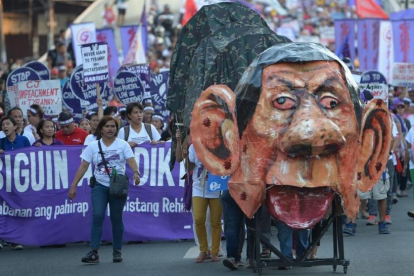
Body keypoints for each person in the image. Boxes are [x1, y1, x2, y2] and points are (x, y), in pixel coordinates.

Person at [68, 116, 141, 263]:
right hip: (99, 186)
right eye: (107, 126)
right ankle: (93, 252)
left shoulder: (123, 144)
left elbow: (131, 160)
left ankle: (117, 251)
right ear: (101, 129)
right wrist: (73, 185)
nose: (110, 129)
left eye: (113, 126)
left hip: (117, 186)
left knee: (116, 218)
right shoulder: (93, 146)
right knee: (97, 216)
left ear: (117, 129)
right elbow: (83, 166)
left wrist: (136, 172)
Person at [0, 116, 31, 250]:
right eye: (3, 125)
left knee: (18, 209)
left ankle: (17, 239)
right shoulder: (0, 142)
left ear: (14, 127)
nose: (5, 127)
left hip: (20, 182)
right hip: (4, 183)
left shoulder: (24, 140)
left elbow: (32, 156)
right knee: (4, 210)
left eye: (7, 124)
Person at [189, 143, 222, 263]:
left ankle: (214, 251)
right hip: (198, 187)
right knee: (198, 219)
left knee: (216, 221)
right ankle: (203, 250)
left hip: (216, 187)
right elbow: (189, 166)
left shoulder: (219, 145)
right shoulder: (194, 146)